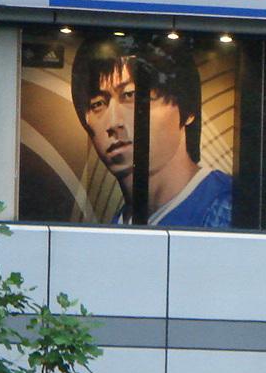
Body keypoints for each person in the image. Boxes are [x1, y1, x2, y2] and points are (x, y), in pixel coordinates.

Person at [70, 35, 232, 228]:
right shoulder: (121, 220)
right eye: (97, 104)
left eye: (130, 95)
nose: (113, 123)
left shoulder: (226, 210)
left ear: (187, 107)